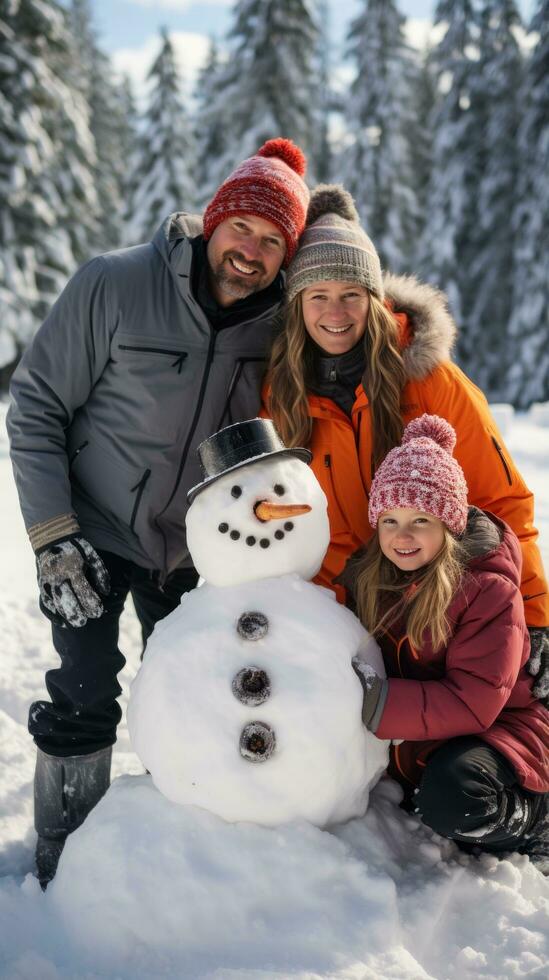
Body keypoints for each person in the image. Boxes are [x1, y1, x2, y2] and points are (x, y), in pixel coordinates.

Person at [6, 137, 310, 887]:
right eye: (242, 227)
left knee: (201, 692)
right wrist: (53, 538)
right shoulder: (115, 284)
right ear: (213, 220)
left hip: (203, 549)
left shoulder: (280, 328)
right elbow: (37, 407)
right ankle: (64, 864)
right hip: (96, 530)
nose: (251, 250)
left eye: (274, 241)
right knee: (85, 689)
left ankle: (185, 861)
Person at [264, 183, 549, 702]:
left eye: (351, 294)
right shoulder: (278, 394)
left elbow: (502, 501)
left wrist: (534, 615)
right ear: (298, 304)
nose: (336, 312)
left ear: (374, 300)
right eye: (318, 295)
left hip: (430, 610)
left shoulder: (431, 382)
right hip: (330, 618)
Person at [344, 414, 548, 867]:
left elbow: (476, 701)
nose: (403, 535)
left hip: (500, 727)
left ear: (450, 524)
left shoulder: (485, 588)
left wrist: (375, 703)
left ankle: (538, 819)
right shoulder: (368, 575)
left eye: (422, 519)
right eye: (391, 519)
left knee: (453, 801)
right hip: (423, 732)